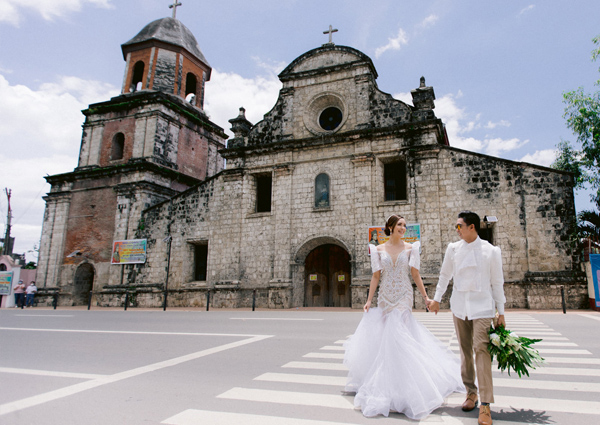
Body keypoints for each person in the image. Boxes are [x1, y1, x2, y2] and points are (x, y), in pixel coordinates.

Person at [344, 214, 465, 419]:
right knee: (387, 340)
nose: (403, 228)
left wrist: (426, 297)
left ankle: (408, 387)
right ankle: (390, 385)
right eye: (399, 225)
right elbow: (376, 276)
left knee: (399, 336)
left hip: (403, 296)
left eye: (404, 226)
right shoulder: (377, 249)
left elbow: (415, 274)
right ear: (390, 227)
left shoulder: (411, 248)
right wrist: (369, 300)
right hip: (385, 297)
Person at [429, 211, 506, 425]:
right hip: (459, 307)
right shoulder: (453, 250)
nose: (457, 230)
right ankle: (471, 393)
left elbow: (497, 283)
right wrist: (436, 299)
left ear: (472, 227)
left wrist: (501, 312)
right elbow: (445, 275)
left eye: (459, 226)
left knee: (481, 350)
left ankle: (486, 405)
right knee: (464, 351)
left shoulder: (491, 251)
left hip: (483, 309)